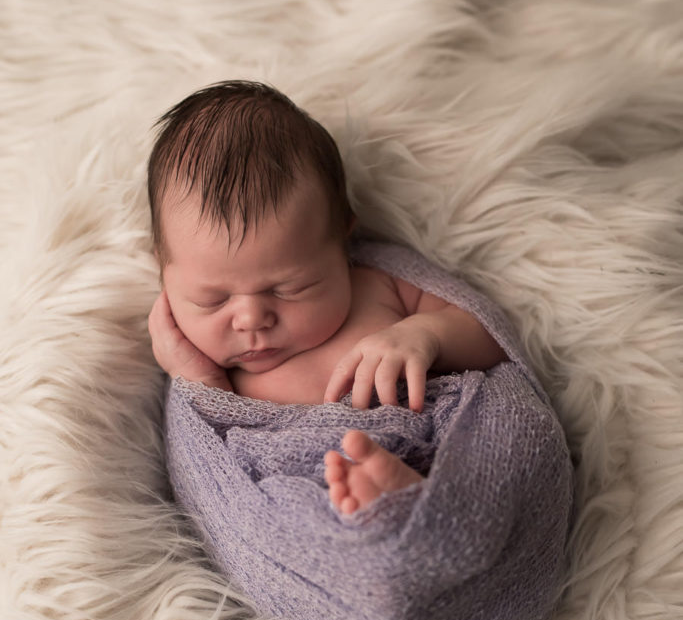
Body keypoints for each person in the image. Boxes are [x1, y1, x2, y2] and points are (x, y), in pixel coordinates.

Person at [147, 80, 507, 515]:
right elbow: (217, 468)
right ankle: (387, 514)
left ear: (342, 243)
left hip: (433, 455)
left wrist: (424, 334)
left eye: (289, 289)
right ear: (164, 272)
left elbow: (490, 339)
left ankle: (423, 503)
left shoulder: (380, 288)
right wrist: (196, 378)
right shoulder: (211, 376)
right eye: (212, 300)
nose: (251, 319)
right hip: (306, 507)